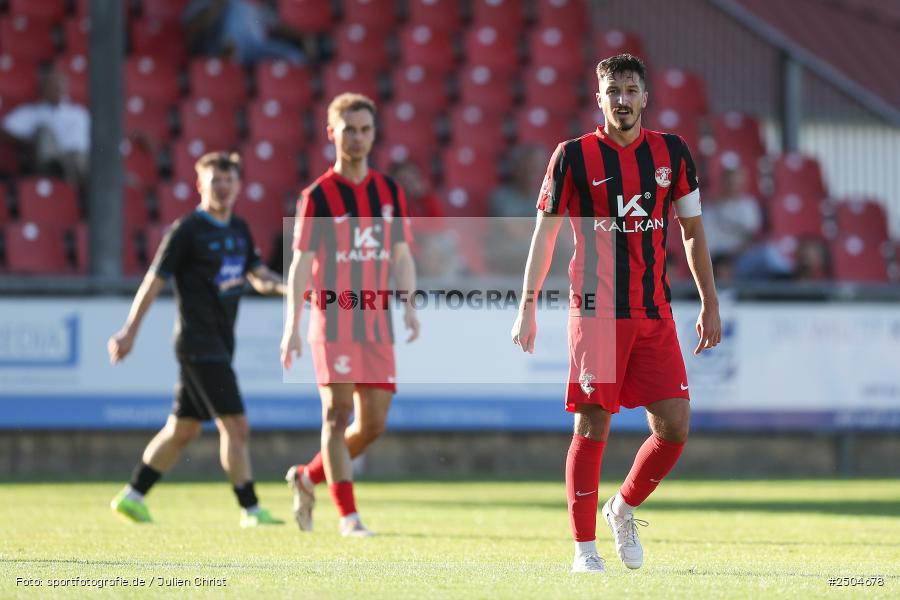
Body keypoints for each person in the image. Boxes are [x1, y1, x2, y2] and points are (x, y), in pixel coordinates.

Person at [510, 54, 721, 573]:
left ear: (645, 98)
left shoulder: (673, 152)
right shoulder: (573, 156)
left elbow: (692, 232)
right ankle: (584, 551)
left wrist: (710, 302)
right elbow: (546, 234)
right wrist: (527, 305)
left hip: (654, 310)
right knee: (592, 423)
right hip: (596, 310)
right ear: (598, 98)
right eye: (613, 90)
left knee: (673, 426)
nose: (622, 99)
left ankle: (622, 508)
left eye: (631, 90)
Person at [108, 151, 286, 528]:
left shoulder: (238, 228)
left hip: (220, 342)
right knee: (235, 425)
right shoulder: (187, 230)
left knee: (183, 429)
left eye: (228, 180)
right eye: (215, 180)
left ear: (238, 185)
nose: (222, 186)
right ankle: (251, 509)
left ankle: (133, 495)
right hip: (198, 343)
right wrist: (129, 331)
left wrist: (290, 289)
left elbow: (256, 275)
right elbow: (154, 281)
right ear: (200, 184)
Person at [280, 93, 420, 537]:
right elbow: (300, 263)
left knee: (373, 424)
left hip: (377, 321)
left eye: (364, 129)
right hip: (333, 319)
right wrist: (292, 327)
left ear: (374, 134)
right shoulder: (317, 196)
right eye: (349, 129)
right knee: (337, 417)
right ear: (331, 133)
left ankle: (307, 477)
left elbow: (401, 254)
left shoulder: (389, 192)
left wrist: (410, 304)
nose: (357, 137)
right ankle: (348, 516)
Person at [1, 68, 89, 184]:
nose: (58, 89)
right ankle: (57, 177)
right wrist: (28, 142)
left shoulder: (79, 113)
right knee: (44, 131)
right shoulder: (31, 112)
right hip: (50, 167)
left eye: (61, 85)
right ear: (43, 88)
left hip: (79, 163)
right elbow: (4, 129)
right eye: (53, 86)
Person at [182, 0, 313, 65]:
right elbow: (190, 30)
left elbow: (276, 26)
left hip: (254, 48)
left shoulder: (252, 4)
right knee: (231, 51)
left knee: (294, 57)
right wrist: (218, 6)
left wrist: (305, 38)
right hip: (219, 48)